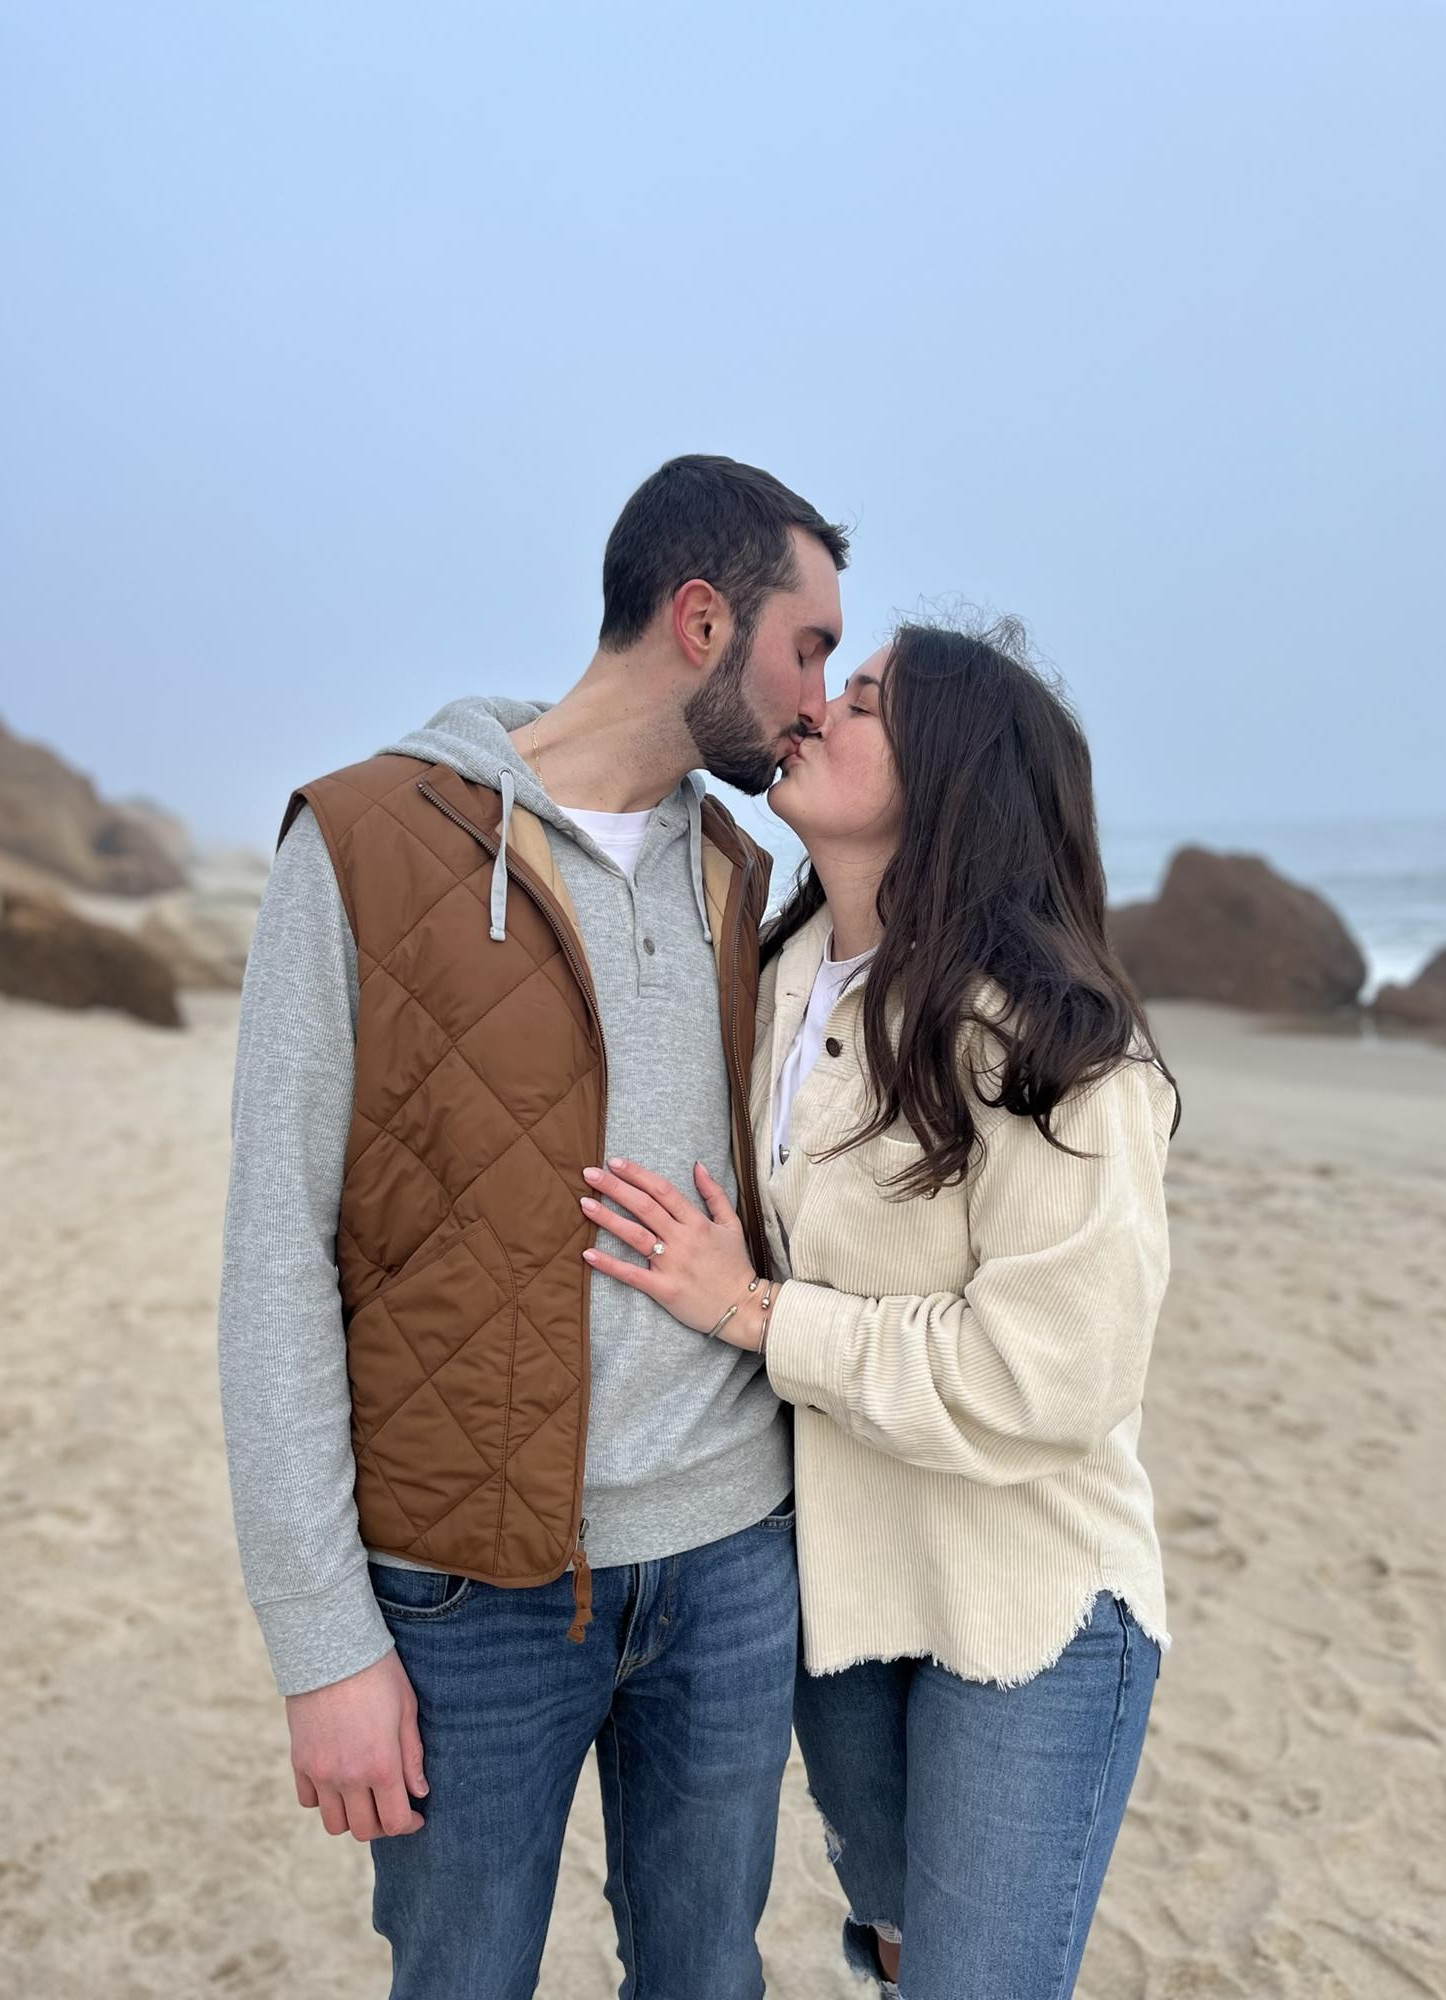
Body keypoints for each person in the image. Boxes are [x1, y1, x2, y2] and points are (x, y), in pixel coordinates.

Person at [217, 453, 847, 1999]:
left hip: (731, 1564)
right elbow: (274, 1262)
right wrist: (322, 1643)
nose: (820, 700)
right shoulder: (361, 845)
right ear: (702, 621)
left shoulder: (743, 873)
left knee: (707, 1976)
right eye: (809, 648)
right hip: (465, 1598)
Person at [585, 618, 1178, 1999]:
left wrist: (758, 1315)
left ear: (955, 774)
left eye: (864, 701)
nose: (814, 709)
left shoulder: (1058, 1048)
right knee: (904, 1954)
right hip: (836, 1602)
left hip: (1025, 1607)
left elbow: (1049, 1375)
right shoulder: (763, 980)